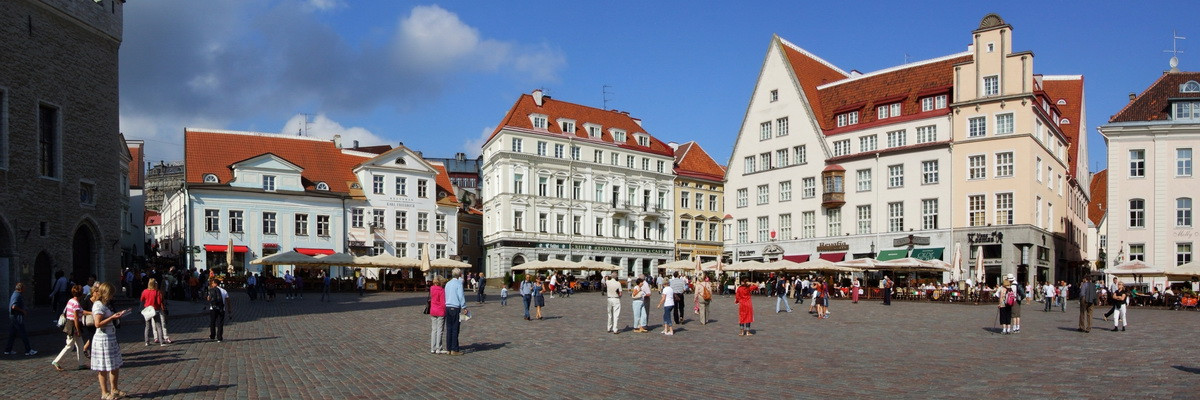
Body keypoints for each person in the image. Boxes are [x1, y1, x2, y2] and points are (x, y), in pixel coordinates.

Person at [90, 282, 129, 400]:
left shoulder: (105, 304)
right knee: (103, 367)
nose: (113, 296)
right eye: (111, 294)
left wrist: (117, 315)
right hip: (102, 340)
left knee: (114, 365)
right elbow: (97, 324)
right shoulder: (98, 305)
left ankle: (114, 389)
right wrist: (112, 317)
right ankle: (105, 392)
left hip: (110, 338)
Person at [52, 285, 87, 371]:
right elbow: (75, 318)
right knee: (69, 346)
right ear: (81, 294)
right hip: (73, 326)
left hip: (70, 324)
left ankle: (81, 364)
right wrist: (78, 330)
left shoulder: (71, 301)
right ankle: (56, 361)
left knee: (80, 345)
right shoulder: (76, 304)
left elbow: (81, 311)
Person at [4, 282, 36, 356]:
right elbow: (14, 306)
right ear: (21, 288)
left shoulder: (15, 294)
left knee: (12, 334)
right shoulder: (17, 295)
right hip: (16, 316)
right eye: (24, 288)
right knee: (23, 333)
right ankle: (28, 350)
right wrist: (22, 311)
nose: (25, 289)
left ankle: (8, 350)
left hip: (13, 316)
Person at [139, 279, 171, 346]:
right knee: (158, 326)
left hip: (147, 310)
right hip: (155, 310)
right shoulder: (157, 292)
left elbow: (142, 299)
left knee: (147, 327)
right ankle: (161, 342)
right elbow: (159, 302)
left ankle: (146, 341)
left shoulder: (145, 291)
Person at [444, 268, 467, 356]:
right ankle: (454, 349)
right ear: (460, 275)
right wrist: (464, 307)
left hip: (448, 307)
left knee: (449, 328)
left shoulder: (448, 283)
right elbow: (461, 296)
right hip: (455, 307)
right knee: (455, 328)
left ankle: (448, 348)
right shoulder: (458, 284)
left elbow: (446, 294)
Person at [428, 277, 447, 354]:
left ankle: (433, 347)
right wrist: (445, 310)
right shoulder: (441, 290)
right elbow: (443, 303)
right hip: (440, 311)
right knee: (440, 330)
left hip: (433, 310)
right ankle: (439, 348)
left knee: (434, 330)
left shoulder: (431, 289)